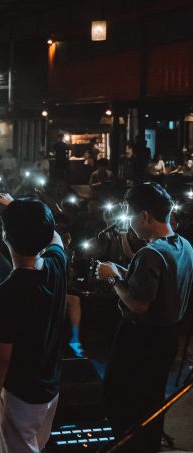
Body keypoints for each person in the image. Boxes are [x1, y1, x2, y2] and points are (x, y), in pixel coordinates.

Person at [95, 183, 193, 452]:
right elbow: (160, 286)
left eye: (131, 214)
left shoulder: (150, 253)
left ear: (145, 216)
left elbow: (139, 304)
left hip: (140, 340)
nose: (130, 222)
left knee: (121, 400)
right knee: (151, 403)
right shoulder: (184, 245)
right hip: (168, 337)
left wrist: (112, 278)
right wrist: (124, 271)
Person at [0, 193, 66, 452]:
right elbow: (55, 237)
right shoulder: (56, 264)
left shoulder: (10, 290)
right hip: (50, 388)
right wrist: (16, 208)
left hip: (21, 396)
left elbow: (0, 358)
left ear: (5, 236)